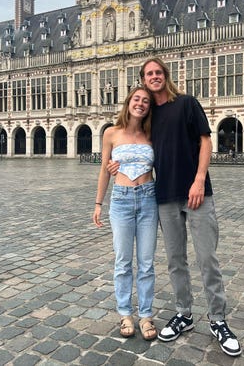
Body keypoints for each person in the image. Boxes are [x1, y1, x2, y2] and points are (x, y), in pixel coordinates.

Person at [109, 58, 241, 356]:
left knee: (207, 259)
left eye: (158, 72)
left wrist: (198, 179)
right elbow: (133, 143)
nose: (154, 77)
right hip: (164, 196)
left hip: (196, 194)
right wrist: (115, 162)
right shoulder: (149, 115)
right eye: (148, 74)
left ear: (165, 76)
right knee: (175, 261)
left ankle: (218, 320)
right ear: (143, 79)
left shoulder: (187, 103)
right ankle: (184, 313)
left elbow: (205, 142)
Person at [92, 86, 158, 341]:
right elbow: (103, 170)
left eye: (145, 101)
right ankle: (124, 313)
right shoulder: (111, 133)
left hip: (148, 198)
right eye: (136, 99)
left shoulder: (152, 134)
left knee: (147, 263)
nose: (140, 104)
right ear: (128, 102)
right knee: (122, 262)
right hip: (120, 199)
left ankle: (146, 314)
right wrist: (98, 203)